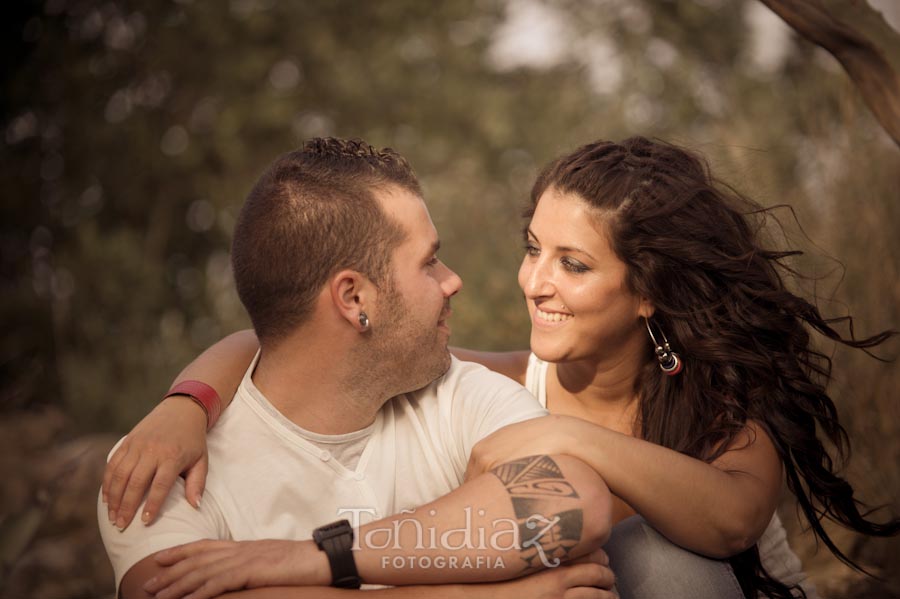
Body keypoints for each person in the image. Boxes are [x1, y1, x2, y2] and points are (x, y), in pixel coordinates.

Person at [106, 137, 900, 598]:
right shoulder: (505, 378)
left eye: (573, 263)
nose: (532, 281)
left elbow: (723, 518)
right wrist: (189, 396)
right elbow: (284, 337)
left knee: (660, 561)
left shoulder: (717, 400)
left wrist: (563, 434)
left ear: (649, 289)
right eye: (533, 249)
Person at [98, 138, 620, 599]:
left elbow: (574, 502)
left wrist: (306, 559)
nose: (452, 280)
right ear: (354, 297)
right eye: (428, 261)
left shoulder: (457, 395)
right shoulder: (162, 465)